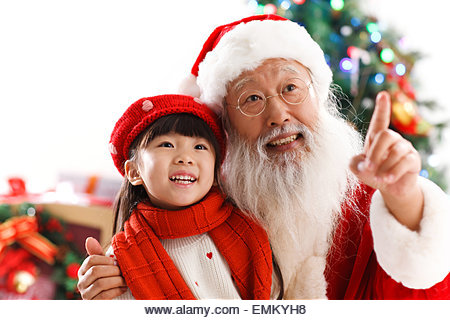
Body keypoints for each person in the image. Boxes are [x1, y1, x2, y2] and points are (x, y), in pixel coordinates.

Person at [78, 15, 450, 299]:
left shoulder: (364, 194)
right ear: (225, 122)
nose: (278, 116)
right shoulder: (194, 204)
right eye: (251, 98)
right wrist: (116, 284)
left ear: (317, 97)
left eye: (291, 88)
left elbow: (425, 288)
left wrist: (404, 199)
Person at [87, 94, 273, 299]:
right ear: (134, 172)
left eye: (199, 147)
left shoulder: (248, 229)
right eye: (167, 145)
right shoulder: (120, 260)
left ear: (215, 173)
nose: (185, 158)